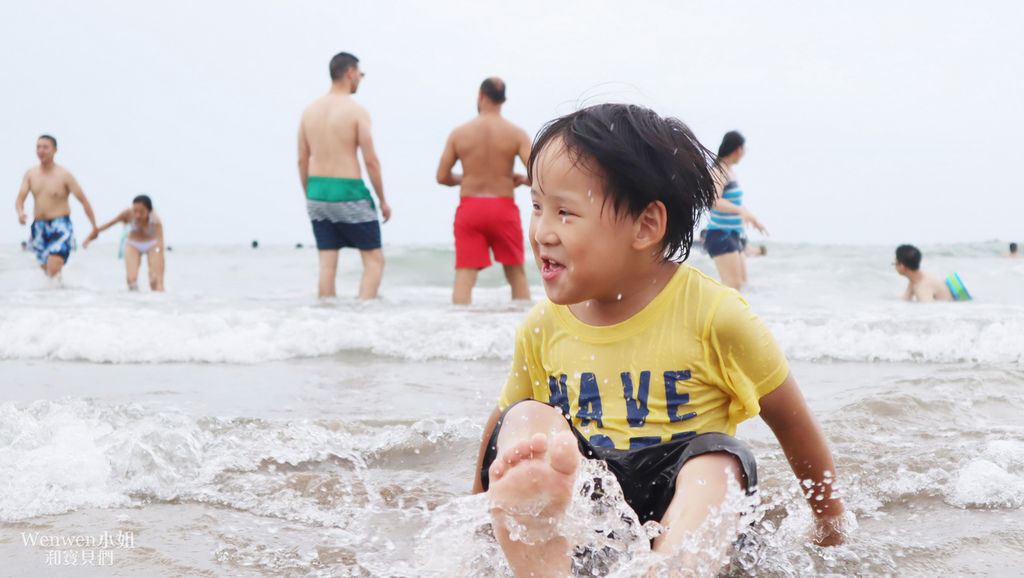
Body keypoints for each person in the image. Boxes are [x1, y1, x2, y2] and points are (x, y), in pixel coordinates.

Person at [472, 104, 847, 575]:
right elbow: (499, 427)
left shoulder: (716, 316)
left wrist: (830, 522)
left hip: (690, 507)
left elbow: (793, 425)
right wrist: (478, 520)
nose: (542, 231)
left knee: (720, 459)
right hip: (593, 510)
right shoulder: (542, 326)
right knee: (526, 416)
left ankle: (674, 566)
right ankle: (544, 555)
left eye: (565, 212)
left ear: (646, 226)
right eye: (537, 207)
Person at [298, 51, 391, 299]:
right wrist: (382, 199)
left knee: (327, 264)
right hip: (348, 191)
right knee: (374, 261)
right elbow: (370, 161)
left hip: (316, 192)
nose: (361, 79)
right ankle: (362, 318)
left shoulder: (309, 111)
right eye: (360, 74)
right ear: (350, 73)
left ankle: (328, 320)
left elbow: (301, 159)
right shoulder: (356, 111)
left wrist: (309, 193)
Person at [436, 77, 532, 305]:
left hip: (471, 208)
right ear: (504, 100)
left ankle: (459, 331)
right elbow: (538, 173)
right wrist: (523, 180)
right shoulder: (516, 133)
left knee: (465, 275)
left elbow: (442, 176)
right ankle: (525, 330)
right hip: (503, 207)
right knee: (516, 273)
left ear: (480, 95)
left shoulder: (459, 133)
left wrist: (467, 178)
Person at [14, 135, 98, 279]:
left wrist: (94, 227)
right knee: (47, 271)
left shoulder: (64, 175)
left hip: (60, 225)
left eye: (45, 147)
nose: (41, 150)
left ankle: (60, 296)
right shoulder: (31, 174)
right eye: (38, 147)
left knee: (53, 268)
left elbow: (83, 200)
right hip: (39, 226)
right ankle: (58, 298)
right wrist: (20, 213)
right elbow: (20, 198)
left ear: (55, 150)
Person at [702, 131, 766, 290]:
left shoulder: (730, 171)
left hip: (733, 235)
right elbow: (713, 200)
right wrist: (739, 210)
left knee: (742, 286)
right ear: (738, 150)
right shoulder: (719, 171)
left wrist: (752, 219)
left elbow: (734, 203)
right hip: (720, 235)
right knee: (732, 288)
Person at [83, 195, 165, 291]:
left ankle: (158, 302)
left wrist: (158, 258)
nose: (137, 215)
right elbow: (110, 223)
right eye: (135, 211)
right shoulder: (128, 213)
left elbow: (160, 244)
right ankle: (135, 303)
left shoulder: (156, 221)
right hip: (134, 243)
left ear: (149, 211)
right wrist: (90, 237)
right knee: (131, 281)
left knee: (156, 281)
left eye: (141, 212)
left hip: (152, 244)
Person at [894, 244, 971, 302]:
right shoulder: (916, 280)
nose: (894, 266)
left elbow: (928, 314)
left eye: (895, 263)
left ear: (902, 266)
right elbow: (905, 298)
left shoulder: (923, 287)